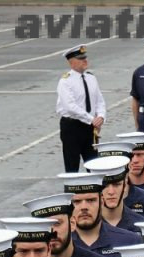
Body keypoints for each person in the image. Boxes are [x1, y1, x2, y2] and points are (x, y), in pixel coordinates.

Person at [56, 44, 106, 172]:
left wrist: (100, 116)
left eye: (85, 58)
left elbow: (99, 100)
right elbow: (70, 106)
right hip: (72, 127)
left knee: (94, 165)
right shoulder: (65, 81)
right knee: (72, 166)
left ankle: (96, 191)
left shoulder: (91, 78)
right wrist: (91, 119)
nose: (85, 61)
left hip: (89, 128)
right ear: (72, 63)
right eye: (81, 59)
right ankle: (72, 192)